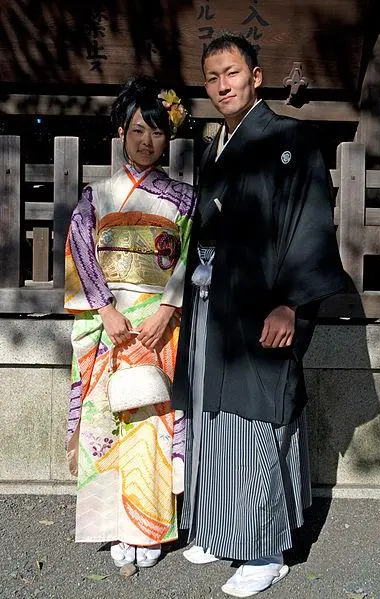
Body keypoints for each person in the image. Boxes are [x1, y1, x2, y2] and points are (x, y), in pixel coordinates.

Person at [172, 33, 347, 597]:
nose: (223, 85)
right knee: (210, 415)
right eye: (213, 77)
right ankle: (219, 530)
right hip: (211, 305)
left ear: (256, 76)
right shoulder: (213, 148)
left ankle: (265, 548)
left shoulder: (290, 140)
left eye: (232, 74)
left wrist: (291, 304)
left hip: (261, 309)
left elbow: (310, 226)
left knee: (256, 421)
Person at [64, 76, 194, 569]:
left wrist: (167, 310)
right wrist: (105, 308)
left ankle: (149, 528)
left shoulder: (184, 199)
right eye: (139, 129)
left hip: (159, 323)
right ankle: (112, 523)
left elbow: (191, 259)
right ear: (122, 131)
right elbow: (80, 249)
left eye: (158, 132)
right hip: (109, 322)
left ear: (169, 138)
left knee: (151, 419)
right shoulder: (97, 194)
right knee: (104, 416)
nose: (147, 141)